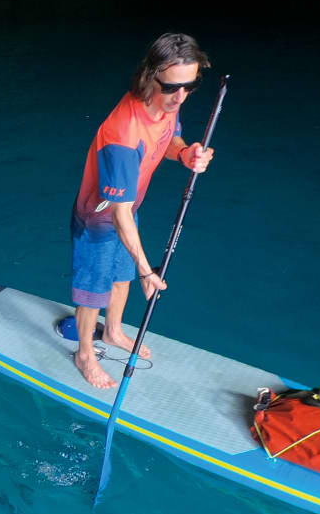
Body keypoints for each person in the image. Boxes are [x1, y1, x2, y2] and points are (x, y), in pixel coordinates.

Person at [70, 33, 214, 389]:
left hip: (128, 208)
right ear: (151, 77)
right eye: (172, 87)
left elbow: (171, 139)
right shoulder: (123, 135)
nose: (180, 96)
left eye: (191, 85)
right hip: (99, 217)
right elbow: (117, 217)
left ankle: (113, 331)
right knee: (95, 290)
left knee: (122, 277)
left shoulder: (167, 101)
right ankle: (85, 353)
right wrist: (148, 270)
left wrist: (186, 154)